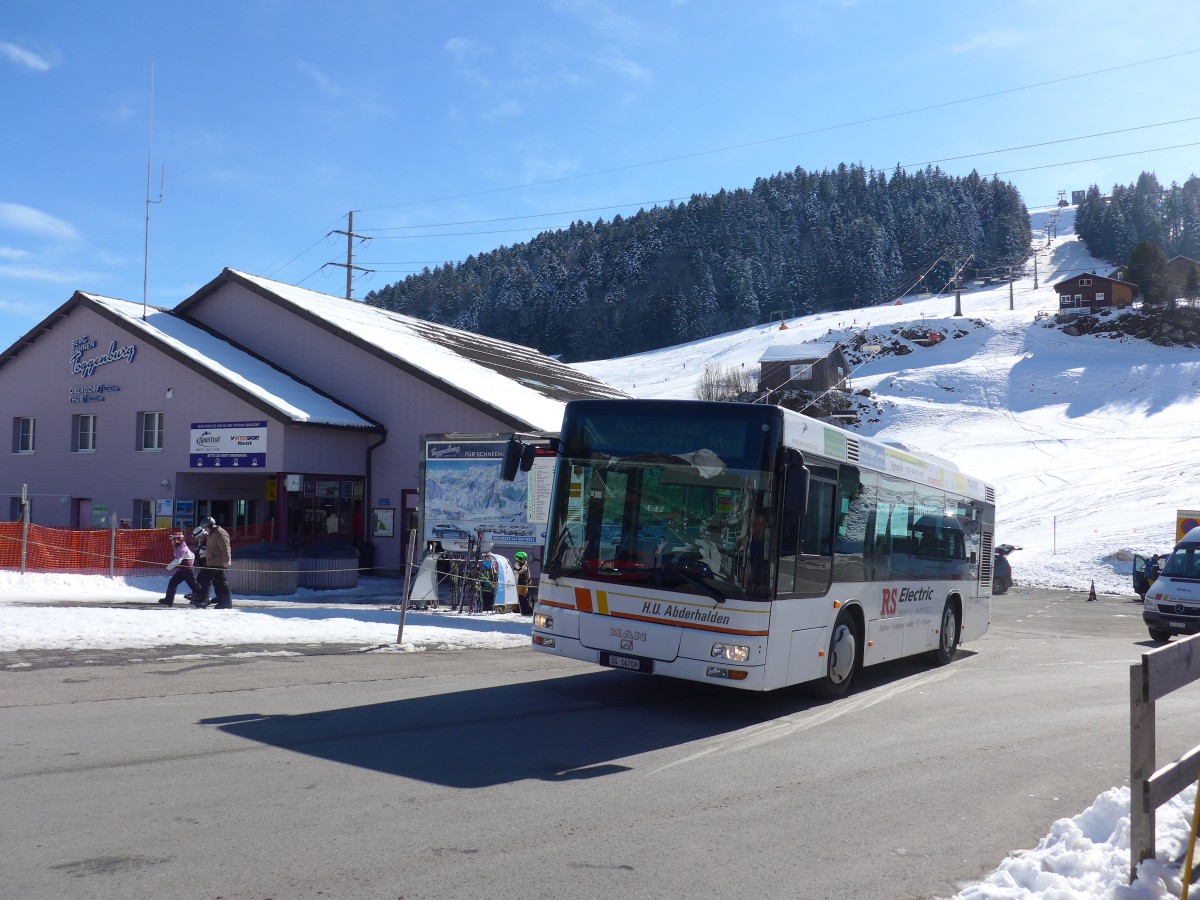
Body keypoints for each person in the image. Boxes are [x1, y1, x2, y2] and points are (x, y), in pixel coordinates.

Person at [192, 517, 234, 609]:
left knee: (204, 578)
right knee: (220, 581)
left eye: (206, 527)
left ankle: (204, 599)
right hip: (213, 562)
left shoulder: (220, 533)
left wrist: (227, 560)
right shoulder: (212, 533)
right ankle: (223, 598)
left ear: (211, 525)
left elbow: (225, 547)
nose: (205, 530)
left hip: (217, 562)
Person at [158, 532, 198, 606]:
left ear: (177, 540)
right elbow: (192, 555)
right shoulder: (180, 546)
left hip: (187, 570)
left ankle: (202, 598)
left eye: (173, 539)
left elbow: (178, 560)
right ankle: (168, 600)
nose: (171, 541)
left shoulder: (181, 548)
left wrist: (168, 567)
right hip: (183, 569)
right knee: (172, 582)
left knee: (194, 586)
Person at [186, 525, 210, 606]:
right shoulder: (201, 542)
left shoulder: (208, 540)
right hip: (203, 564)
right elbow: (198, 552)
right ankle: (201, 596)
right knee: (200, 579)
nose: (198, 539)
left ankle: (205, 599)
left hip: (208, 564)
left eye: (198, 537)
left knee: (205, 581)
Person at [513, 551, 532, 615]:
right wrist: (525, 566)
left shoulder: (525, 566)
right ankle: (518, 609)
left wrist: (529, 580)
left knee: (526, 596)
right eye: (524, 559)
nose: (525, 560)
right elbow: (520, 571)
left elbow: (528, 573)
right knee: (520, 597)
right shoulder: (516, 565)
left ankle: (526, 608)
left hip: (525, 583)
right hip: (519, 583)